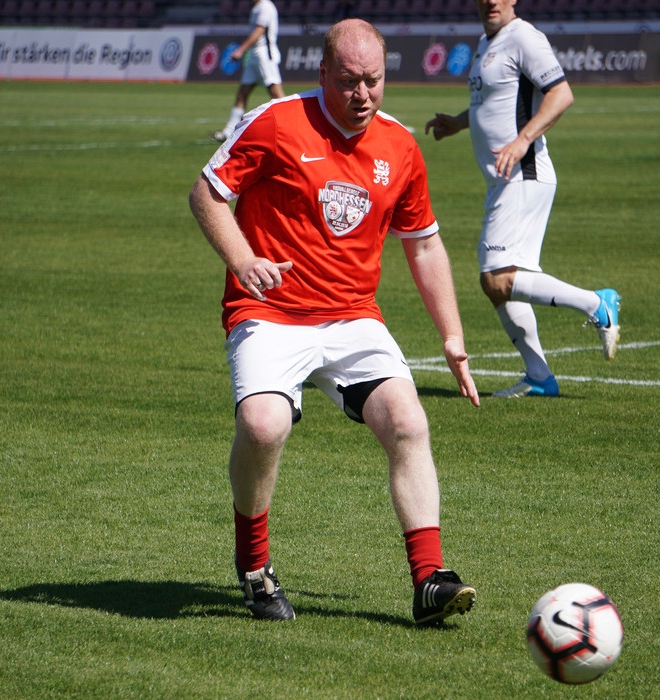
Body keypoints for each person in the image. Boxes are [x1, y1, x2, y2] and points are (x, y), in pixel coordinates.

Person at [190, 18, 480, 624]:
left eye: (374, 81)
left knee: (407, 419)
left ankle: (429, 579)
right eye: (349, 82)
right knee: (264, 426)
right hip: (269, 311)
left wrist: (451, 335)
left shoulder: (400, 146)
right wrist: (243, 261)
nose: (363, 95)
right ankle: (254, 565)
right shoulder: (274, 122)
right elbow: (207, 193)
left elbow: (423, 244)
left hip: (351, 316)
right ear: (323, 73)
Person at [425, 0, 620, 399]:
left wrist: (522, 141)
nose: (490, 1)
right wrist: (457, 124)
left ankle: (596, 304)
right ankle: (539, 377)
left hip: (524, 174)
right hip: (504, 179)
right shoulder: (486, 42)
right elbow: (492, 102)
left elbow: (561, 94)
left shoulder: (524, 37)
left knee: (496, 277)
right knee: (498, 284)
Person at [210, 0, 286, 142]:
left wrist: (241, 50)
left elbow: (259, 31)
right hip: (254, 56)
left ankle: (292, 129)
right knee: (242, 93)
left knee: (277, 94)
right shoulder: (257, 7)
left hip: (264, 56)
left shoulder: (265, 6)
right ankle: (229, 132)